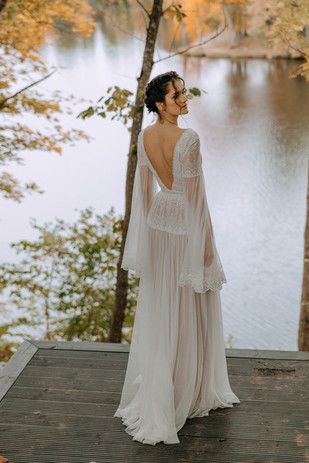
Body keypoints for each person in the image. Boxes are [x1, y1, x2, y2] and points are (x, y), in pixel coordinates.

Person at [114, 70, 240, 445]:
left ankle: (167, 386)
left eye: (184, 93)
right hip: (186, 226)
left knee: (164, 305)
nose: (185, 100)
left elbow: (145, 191)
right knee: (190, 304)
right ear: (159, 103)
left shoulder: (145, 135)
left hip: (159, 225)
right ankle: (192, 389)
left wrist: (149, 235)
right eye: (177, 96)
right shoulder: (189, 138)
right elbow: (196, 198)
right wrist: (206, 245)